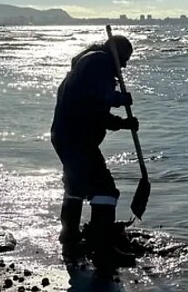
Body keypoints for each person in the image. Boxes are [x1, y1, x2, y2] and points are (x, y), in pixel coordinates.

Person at [50, 35, 139, 263]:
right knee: (106, 190)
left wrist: (120, 122)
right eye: (125, 59)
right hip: (77, 139)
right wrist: (120, 99)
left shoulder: (86, 63)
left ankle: (70, 240)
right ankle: (102, 249)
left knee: (75, 186)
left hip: (65, 135)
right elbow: (98, 99)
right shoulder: (99, 63)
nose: (125, 66)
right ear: (116, 54)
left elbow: (91, 109)